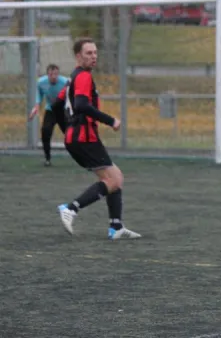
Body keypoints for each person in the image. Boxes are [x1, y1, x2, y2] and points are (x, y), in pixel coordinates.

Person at [52, 38, 141, 240]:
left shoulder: (71, 79)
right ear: (78, 56)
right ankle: (71, 208)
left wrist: (67, 130)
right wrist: (110, 120)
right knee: (114, 179)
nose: (93, 57)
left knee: (115, 177)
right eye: (88, 53)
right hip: (84, 138)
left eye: (95, 53)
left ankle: (116, 226)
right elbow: (82, 105)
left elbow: (57, 105)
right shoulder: (82, 76)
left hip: (77, 138)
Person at [28, 64, 69, 166]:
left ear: (58, 74)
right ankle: (48, 159)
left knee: (71, 135)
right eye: (51, 74)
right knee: (45, 131)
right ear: (47, 74)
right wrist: (37, 106)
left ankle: (83, 157)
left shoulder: (65, 82)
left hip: (63, 111)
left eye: (55, 74)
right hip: (50, 110)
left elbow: (71, 95)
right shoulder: (41, 82)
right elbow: (39, 93)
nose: (53, 76)